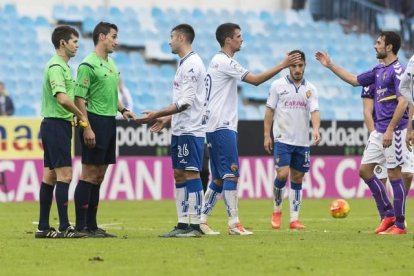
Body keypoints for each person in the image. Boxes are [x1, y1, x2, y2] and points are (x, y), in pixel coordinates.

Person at [200, 23, 301, 235]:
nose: (241, 39)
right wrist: (282, 65)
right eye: (238, 36)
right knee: (232, 175)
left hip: (215, 125)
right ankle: (234, 224)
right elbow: (254, 80)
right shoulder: (224, 61)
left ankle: (202, 220)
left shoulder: (217, 62)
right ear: (228, 40)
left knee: (219, 178)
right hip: (222, 126)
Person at [315, 31, 409, 234]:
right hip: (379, 130)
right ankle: (388, 214)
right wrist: (330, 65)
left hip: (394, 131)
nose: (375, 46)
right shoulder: (378, 70)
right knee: (365, 171)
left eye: (379, 43)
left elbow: (403, 101)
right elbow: (353, 80)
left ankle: (400, 225)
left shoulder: (399, 71)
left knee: (394, 173)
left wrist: (391, 129)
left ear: (389, 47)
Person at [137, 24, 206, 238]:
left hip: (191, 129)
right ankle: (182, 223)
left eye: (172, 37)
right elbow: (181, 102)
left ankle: (195, 225)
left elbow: (186, 102)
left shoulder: (193, 64)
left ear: (182, 38)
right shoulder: (183, 63)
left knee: (191, 172)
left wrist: (157, 114)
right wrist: (167, 119)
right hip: (179, 128)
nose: (169, 41)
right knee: (178, 174)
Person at [74, 22, 137, 238]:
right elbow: (79, 99)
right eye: (114, 37)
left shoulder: (110, 64)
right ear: (102, 37)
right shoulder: (87, 64)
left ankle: (92, 226)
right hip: (94, 121)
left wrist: (123, 109)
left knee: (100, 176)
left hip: (109, 122)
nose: (116, 41)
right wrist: (86, 127)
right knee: (89, 174)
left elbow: (112, 95)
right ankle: (80, 226)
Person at [36, 26, 89, 239]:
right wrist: (80, 115)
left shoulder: (65, 67)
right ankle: (66, 227)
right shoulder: (56, 66)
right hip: (56, 125)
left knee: (50, 176)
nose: (77, 45)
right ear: (62, 43)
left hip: (56, 125)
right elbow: (63, 98)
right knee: (65, 175)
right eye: (74, 41)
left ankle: (43, 227)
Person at [264, 50, 320, 230]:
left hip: (302, 141)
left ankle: (294, 219)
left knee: (298, 177)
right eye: (293, 66)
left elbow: (314, 111)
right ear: (288, 66)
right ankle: (277, 210)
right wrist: (267, 135)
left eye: (300, 65)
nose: (297, 69)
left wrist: (316, 129)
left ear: (305, 66)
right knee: (282, 174)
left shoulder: (310, 89)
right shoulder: (277, 86)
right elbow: (269, 110)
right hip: (282, 138)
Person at [362, 83, 413, 210]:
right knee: (380, 177)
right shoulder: (370, 80)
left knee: (407, 174)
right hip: (380, 132)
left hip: (400, 131)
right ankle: (386, 216)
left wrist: (410, 129)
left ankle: (399, 210)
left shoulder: (400, 76)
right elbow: (367, 111)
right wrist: (374, 134)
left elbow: (408, 102)